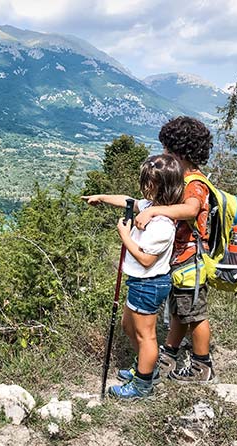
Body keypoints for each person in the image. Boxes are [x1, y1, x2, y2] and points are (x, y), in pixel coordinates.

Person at [82, 154, 185, 399]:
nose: (145, 186)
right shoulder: (151, 207)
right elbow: (129, 201)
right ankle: (145, 369)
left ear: (163, 186)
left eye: (149, 182)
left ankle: (143, 385)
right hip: (141, 282)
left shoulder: (161, 223)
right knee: (128, 326)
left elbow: (146, 259)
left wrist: (124, 235)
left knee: (145, 335)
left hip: (149, 283)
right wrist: (102, 198)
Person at [133, 116, 216, 383]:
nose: (165, 155)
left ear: (181, 152)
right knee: (180, 311)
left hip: (192, 261)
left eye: (168, 150)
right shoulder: (185, 178)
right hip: (180, 261)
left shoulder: (195, 183)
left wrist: (155, 210)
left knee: (195, 315)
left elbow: (191, 209)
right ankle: (169, 352)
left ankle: (202, 366)